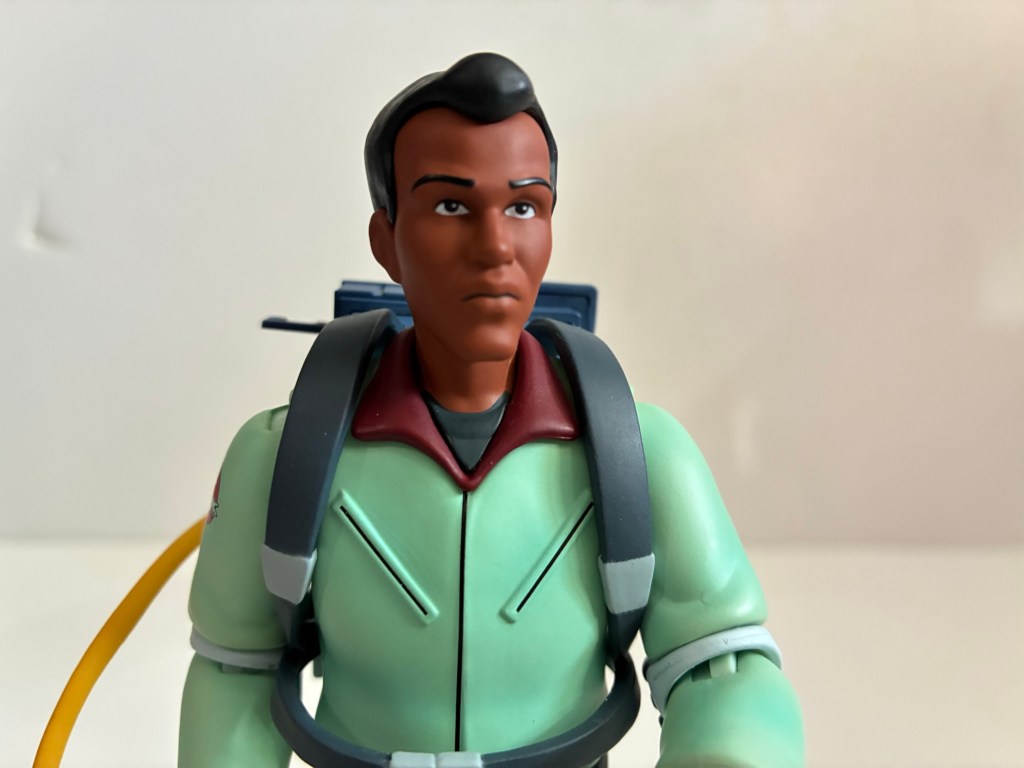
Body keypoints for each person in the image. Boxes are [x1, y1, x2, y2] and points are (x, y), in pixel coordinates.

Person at [179, 53, 804, 767]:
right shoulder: (282, 458)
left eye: (523, 206)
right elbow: (234, 672)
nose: (495, 247)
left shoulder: (640, 454)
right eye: (450, 206)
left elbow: (721, 664)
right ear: (386, 240)